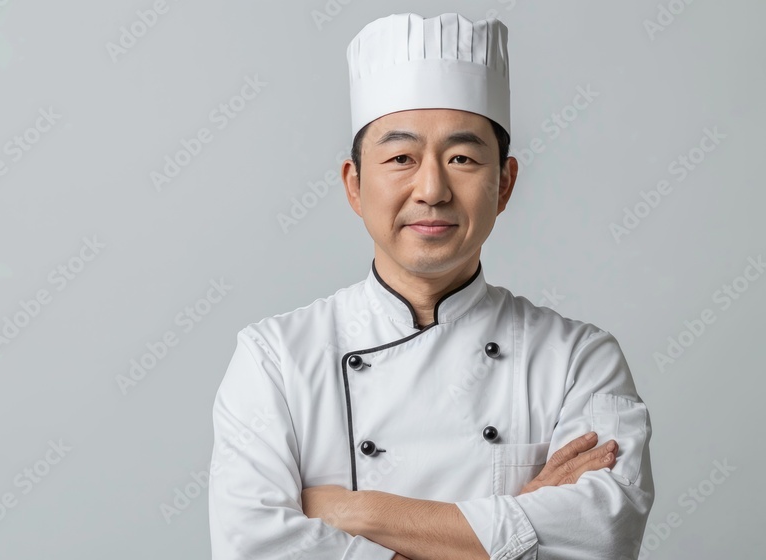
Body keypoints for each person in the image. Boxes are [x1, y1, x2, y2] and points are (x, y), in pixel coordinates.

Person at [208, 12, 654, 560]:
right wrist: (522, 519)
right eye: (401, 158)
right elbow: (252, 547)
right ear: (354, 184)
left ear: (505, 183)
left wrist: (358, 510)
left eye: (462, 158)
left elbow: (603, 536)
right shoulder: (274, 359)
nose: (432, 189)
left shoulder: (579, 359)